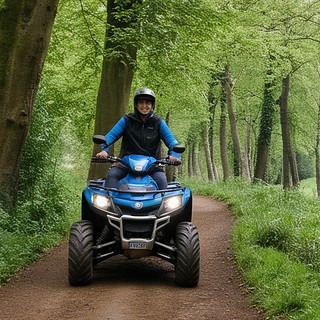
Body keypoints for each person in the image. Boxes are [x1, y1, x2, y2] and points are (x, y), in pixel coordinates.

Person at [96, 88, 181, 190]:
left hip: (152, 164)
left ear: (152, 105)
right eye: (141, 102)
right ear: (136, 104)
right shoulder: (127, 120)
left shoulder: (158, 122)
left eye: (148, 102)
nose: (144, 106)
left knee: (161, 179)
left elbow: (172, 142)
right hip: (126, 164)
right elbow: (110, 137)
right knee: (112, 175)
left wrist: (174, 155)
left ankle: (164, 206)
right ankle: (108, 204)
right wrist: (104, 151)